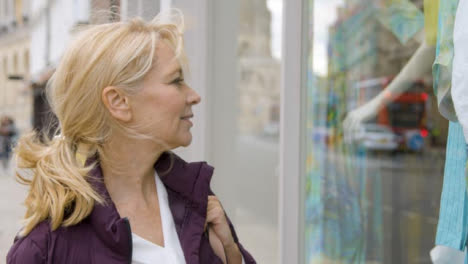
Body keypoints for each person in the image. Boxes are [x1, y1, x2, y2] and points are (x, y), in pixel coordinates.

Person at [6, 10, 255, 264]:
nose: (193, 95)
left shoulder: (197, 202)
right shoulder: (45, 248)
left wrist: (231, 252)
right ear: (119, 102)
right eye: (176, 81)